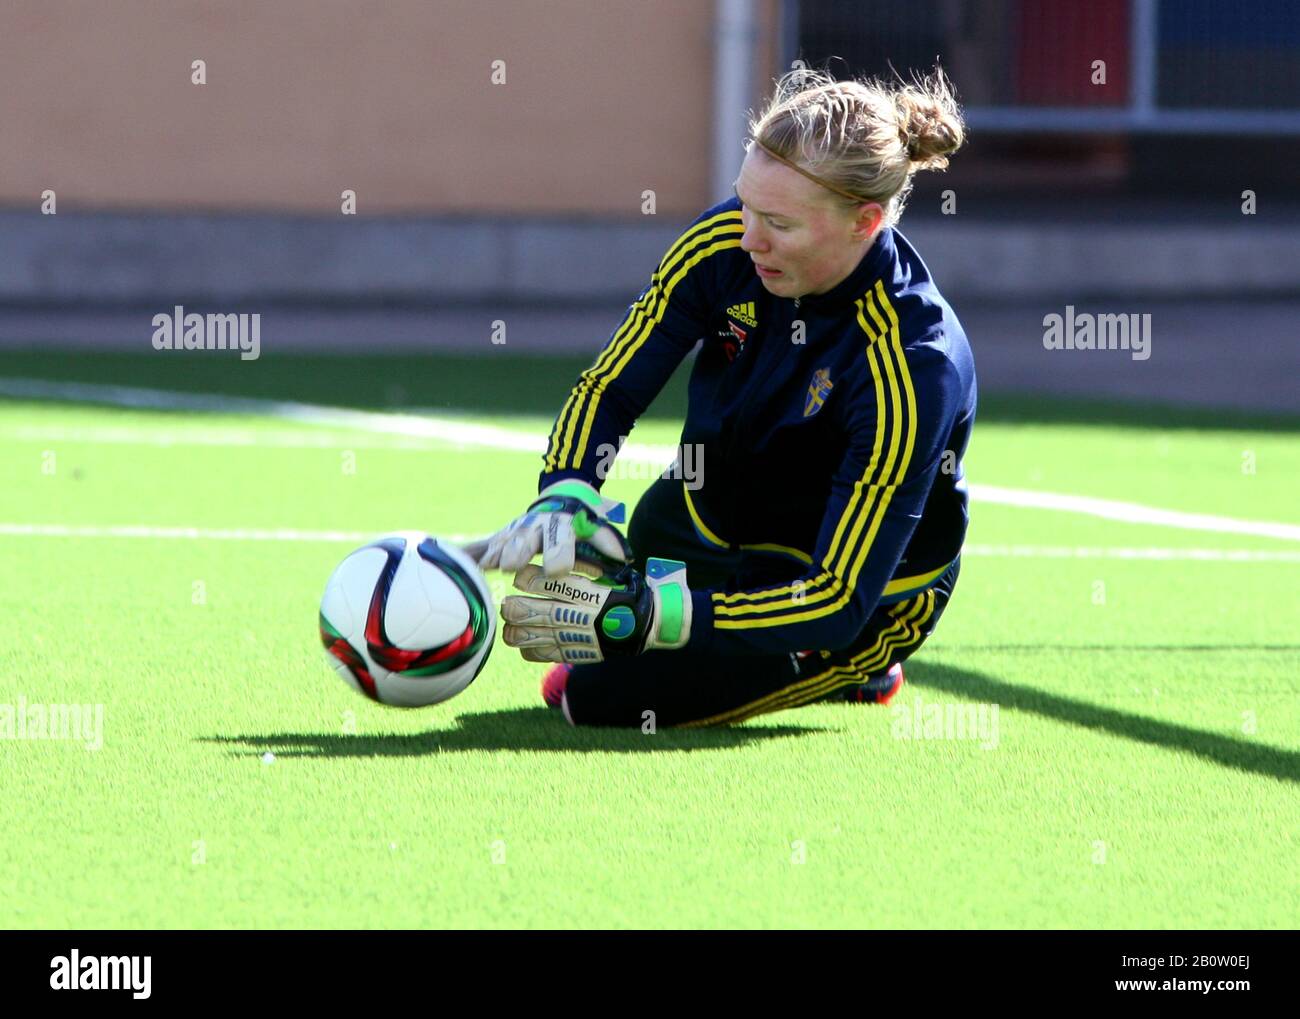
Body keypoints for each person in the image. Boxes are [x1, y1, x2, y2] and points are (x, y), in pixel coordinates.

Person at [466, 67, 976, 728]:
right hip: (713, 519)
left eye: (779, 224)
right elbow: (611, 389)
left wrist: (657, 614)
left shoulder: (911, 363)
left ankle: (865, 669)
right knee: (623, 559)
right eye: (744, 204)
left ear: (865, 221)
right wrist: (566, 491)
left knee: (596, 699)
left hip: (848, 595)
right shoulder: (723, 244)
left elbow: (837, 595)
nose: (747, 238)